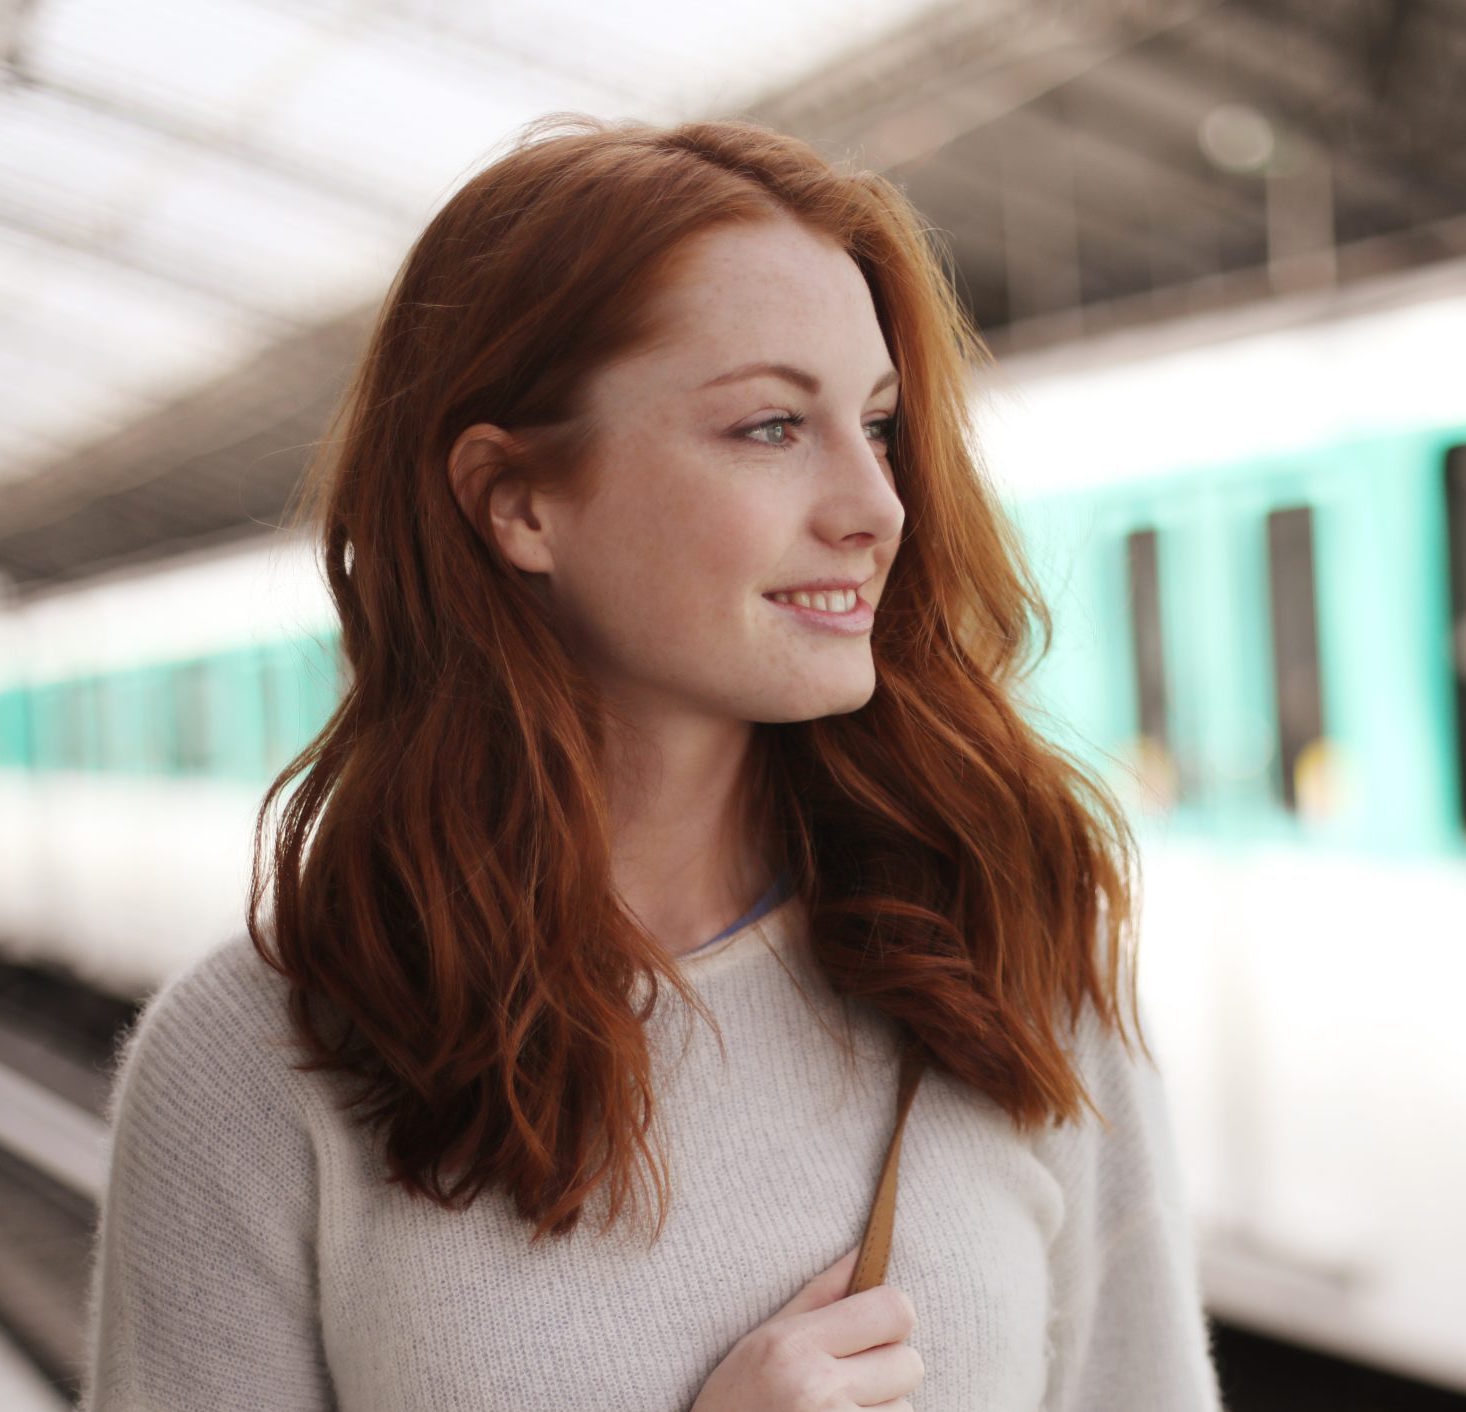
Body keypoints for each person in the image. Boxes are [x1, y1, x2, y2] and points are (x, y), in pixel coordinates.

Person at [79, 114, 1224, 1411]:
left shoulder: (1006, 959)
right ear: (517, 504)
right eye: (770, 429)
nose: (877, 506)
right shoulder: (253, 1064)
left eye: (881, 425)